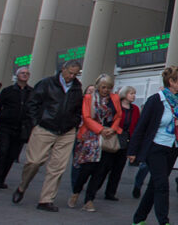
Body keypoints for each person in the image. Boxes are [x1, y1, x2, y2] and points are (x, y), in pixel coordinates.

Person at [12, 60, 84, 212]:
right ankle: (22, 186)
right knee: (34, 162)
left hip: (66, 131)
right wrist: (36, 122)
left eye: (75, 74)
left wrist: (74, 123)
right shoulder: (46, 83)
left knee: (57, 168)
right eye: (70, 72)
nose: (71, 76)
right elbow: (32, 103)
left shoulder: (77, 88)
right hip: (45, 127)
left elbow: (78, 109)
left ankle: (46, 199)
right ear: (63, 69)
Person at [128, 65, 178, 225]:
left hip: (172, 148)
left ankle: (139, 218)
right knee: (162, 185)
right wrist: (133, 150)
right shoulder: (156, 100)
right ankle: (164, 221)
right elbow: (141, 126)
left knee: (154, 185)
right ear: (171, 82)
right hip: (156, 148)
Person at [68, 73, 123, 212]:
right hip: (91, 136)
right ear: (98, 86)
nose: (106, 90)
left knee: (101, 170)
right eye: (104, 87)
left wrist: (113, 128)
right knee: (87, 169)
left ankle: (89, 200)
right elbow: (86, 117)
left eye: (109, 87)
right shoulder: (89, 98)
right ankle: (76, 191)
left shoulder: (114, 98)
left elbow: (118, 116)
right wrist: (100, 129)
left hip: (107, 137)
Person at [0, 66, 33, 190]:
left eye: (27, 73)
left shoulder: (31, 92)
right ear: (17, 75)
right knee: (2, 152)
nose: (25, 75)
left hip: (21, 128)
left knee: (12, 155)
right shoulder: (8, 91)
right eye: (22, 73)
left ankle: (2, 179)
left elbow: (35, 110)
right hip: (6, 126)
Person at [103, 85, 139, 200]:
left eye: (134, 93)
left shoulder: (135, 109)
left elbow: (136, 126)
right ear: (125, 94)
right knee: (105, 166)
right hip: (114, 137)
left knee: (118, 168)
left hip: (126, 140)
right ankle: (95, 187)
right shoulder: (116, 107)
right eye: (131, 93)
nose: (133, 96)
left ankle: (111, 192)